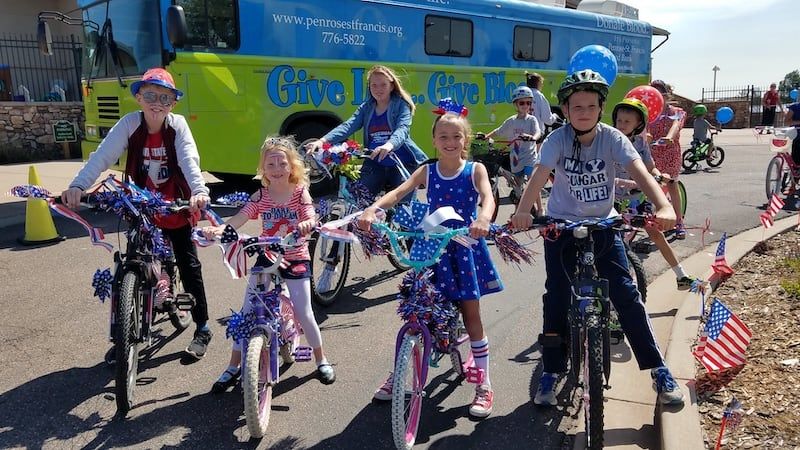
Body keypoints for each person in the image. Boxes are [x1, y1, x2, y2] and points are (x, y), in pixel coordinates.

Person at [510, 69, 685, 407]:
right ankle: (551, 370)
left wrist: (664, 206)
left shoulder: (613, 138)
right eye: (577, 106)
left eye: (591, 106)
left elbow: (641, 173)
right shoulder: (557, 140)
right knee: (557, 296)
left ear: (601, 108)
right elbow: (539, 176)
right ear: (565, 109)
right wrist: (523, 212)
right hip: (561, 225)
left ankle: (658, 369)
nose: (584, 112)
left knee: (626, 294)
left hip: (604, 224)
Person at [358, 112, 503, 418]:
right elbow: (398, 192)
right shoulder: (427, 170)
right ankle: (400, 371)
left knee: (471, 314)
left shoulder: (474, 169)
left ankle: (484, 383)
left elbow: (488, 197)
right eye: (443, 137)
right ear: (434, 140)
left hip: (463, 247)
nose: (450, 142)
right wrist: (372, 209)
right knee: (417, 309)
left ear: (465, 140)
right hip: (432, 248)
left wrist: (483, 218)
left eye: (456, 136)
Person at [61, 68, 214, 359]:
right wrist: (78, 185)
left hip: (175, 206)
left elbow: (189, 160)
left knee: (189, 265)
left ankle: (202, 328)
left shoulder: (178, 126)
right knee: (131, 264)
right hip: (140, 208)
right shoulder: (130, 124)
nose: (157, 103)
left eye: (165, 98)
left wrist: (198, 191)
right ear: (139, 98)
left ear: (173, 103)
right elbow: (103, 156)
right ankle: (124, 336)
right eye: (150, 95)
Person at [203, 136, 336, 391]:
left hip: (295, 257)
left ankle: (321, 359)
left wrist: (308, 223)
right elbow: (241, 216)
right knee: (247, 311)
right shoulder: (261, 195)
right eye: (270, 164)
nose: (276, 169)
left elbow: (310, 214)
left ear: (292, 166)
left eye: (282, 163)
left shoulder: (299, 192)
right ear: (263, 169)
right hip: (267, 255)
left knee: (304, 311)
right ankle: (233, 365)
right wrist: (221, 230)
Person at [305, 65, 427, 292]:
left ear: (392, 85)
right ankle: (331, 266)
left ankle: (422, 273)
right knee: (354, 205)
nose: (378, 89)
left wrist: (388, 145)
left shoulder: (401, 105)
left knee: (406, 214)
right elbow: (348, 126)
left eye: (383, 84)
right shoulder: (367, 107)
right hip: (375, 164)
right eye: (374, 85)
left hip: (400, 163)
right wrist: (322, 141)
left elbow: (402, 130)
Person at [612, 98, 699, 290]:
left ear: (638, 124)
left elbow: (650, 167)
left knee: (656, 233)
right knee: (612, 239)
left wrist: (660, 175)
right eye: (619, 120)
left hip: (636, 198)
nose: (622, 124)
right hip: (613, 199)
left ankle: (681, 276)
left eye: (627, 121)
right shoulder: (610, 141)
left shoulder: (640, 143)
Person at [477, 86, 543, 212]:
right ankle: (518, 212)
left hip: (529, 156)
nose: (525, 106)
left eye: (528, 103)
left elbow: (537, 132)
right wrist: (486, 136)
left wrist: (532, 137)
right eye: (522, 103)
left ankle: (540, 209)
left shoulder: (531, 120)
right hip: (516, 158)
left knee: (532, 183)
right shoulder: (511, 121)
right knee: (517, 186)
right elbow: (499, 131)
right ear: (515, 104)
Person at [647, 80, 688, 239]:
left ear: (666, 96)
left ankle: (679, 221)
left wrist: (670, 136)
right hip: (652, 154)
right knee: (648, 185)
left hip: (670, 153)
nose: (657, 98)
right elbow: (644, 129)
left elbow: (676, 124)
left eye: (661, 95)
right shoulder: (648, 112)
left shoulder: (677, 111)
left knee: (671, 184)